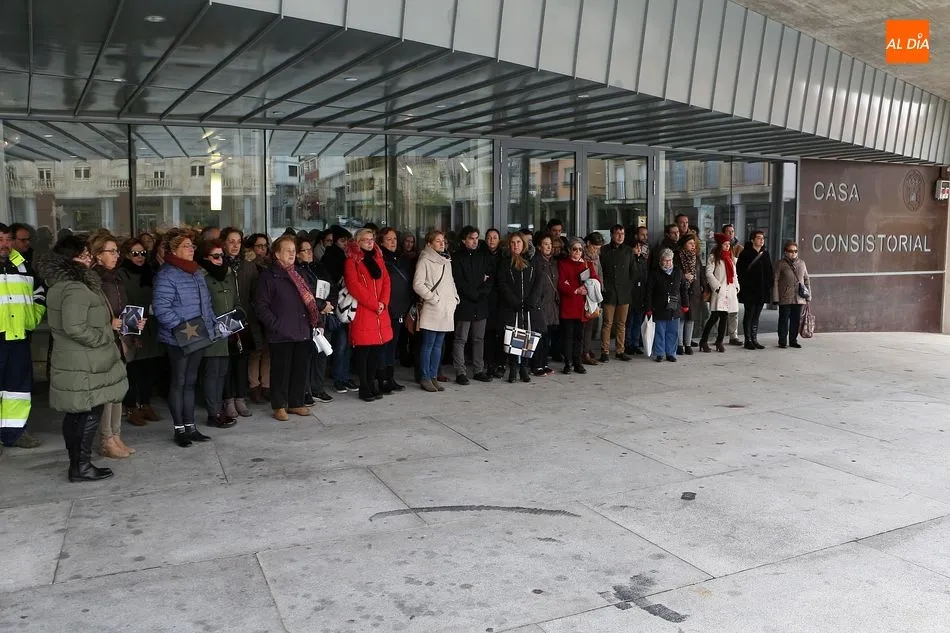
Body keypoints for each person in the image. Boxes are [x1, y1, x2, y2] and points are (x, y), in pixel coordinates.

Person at [38, 235, 127, 482]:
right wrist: (104, 335)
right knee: (86, 413)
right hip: (84, 362)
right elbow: (75, 327)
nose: (89, 259)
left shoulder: (64, 284)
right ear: (71, 258)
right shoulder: (74, 287)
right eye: (85, 255)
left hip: (78, 361)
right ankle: (81, 466)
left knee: (77, 414)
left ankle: (79, 464)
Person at [153, 230, 218, 447]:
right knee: (179, 382)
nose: (192, 249)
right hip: (179, 337)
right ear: (174, 250)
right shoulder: (166, 274)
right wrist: (184, 329)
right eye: (187, 246)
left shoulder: (196, 272)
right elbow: (162, 309)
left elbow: (206, 305)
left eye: (192, 246)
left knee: (191, 382)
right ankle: (179, 428)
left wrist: (211, 326)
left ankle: (191, 426)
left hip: (198, 334)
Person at [255, 236, 318, 420]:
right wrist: (276, 325)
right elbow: (260, 306)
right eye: (287, 250)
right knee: (281, 371)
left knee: (299, 369)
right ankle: (279, 406)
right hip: (281, 332)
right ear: (276, 254)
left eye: (293, 250)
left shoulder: (299, 273)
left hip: (301, 329)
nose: (292, 254)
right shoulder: (270, 276)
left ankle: (296, 403)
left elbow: (311, 299)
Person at [90, 232, 140, 458]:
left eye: (117, 251)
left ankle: (116, 435)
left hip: (120, 340)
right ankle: (106, 439)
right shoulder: (93, 280)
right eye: (111, 251)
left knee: (119, 390)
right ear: (98, 255)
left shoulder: (116, 277)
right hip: (104, 341)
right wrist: (107, 323)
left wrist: (133, 322)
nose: (116, 255)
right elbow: (91, 313)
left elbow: (122, 308)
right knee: (108, 392)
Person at [0, 223, 46, 449]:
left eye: (8, 239)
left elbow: (39, 293)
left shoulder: (21, 265)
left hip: (19, 336)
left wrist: (33, 319)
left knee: (17, 389)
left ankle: (15, 433)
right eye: (0, 240)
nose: (5, 245)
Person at [117, 237, 163, 426]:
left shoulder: (150, 272)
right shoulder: (121, 274)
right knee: (133, 369)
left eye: (143, 253)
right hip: (132, 324)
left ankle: (145, 403)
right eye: (135, 253)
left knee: (149, 367)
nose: (140, 257)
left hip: (151, 324)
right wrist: (133, 333)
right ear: (127, 254)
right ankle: (131, 407)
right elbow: (123, 302)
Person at [344, 228, 393, 402]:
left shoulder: (378, 258)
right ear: (357, 242)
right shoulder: (352, 261)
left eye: (371, 239)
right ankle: (364, 386)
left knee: (376, 352)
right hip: (365, 312)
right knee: (364, 352)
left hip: (380, 312)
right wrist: (375, 304)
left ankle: (372, 383)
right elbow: (353, 285)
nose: (369, 242)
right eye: (365, 240)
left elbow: (386, 280)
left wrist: (383, 302)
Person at [197, 239, 238, 428]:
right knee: (212, 374)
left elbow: (235, 300)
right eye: (215, 256)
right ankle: (213, 413)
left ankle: (218, 409)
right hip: (210, 332)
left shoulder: (228, 275)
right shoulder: (202, 277)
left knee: (222, 372)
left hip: (227, 330)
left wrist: (237, 318)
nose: (220, 259)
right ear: (206, 257)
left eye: (221, 255)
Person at [412, 230, 459, 393]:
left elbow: (451, 281)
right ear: (430, 243)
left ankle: (433, 376)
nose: (442, 243)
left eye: (443, 241)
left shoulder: (446, 259)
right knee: (428, 345)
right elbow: (418, 284)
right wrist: (434, 299)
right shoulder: (425, 259)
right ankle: (425, 377)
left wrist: (455, 298)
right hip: (433, 308)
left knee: (438, 345)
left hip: (446, 307)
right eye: (438, 241)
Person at [220, 228, 256, 417]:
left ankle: (240, 398)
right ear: (224, 243)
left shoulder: (248, 266)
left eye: (238, 241)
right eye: (231, 241)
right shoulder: (217, 263)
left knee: (242, 360)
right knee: (226, 361)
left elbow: (254, 293)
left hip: (244, 319)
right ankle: (228, 400)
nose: (235, 245)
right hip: (224, 319)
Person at [497, 232, 542, 383]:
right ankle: (513, 368)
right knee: (512, 336)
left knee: (527, 337)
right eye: (513, 243)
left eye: (518, 242)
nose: (515, 245)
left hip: (529, 306)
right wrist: (513, 301)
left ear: (523, 244)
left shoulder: (533, 260)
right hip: (512, 306)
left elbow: (538, 281)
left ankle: (524, 368)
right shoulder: (505, 262)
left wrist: (532, 300)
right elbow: (502, 283)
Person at [451, 226, 493, 385]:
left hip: (481, 303)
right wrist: (475, 292)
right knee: (461, 338)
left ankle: (478, 370)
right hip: (465, 303)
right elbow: (459, 281)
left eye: (476, 238)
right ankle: (460, 372)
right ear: (463, 240)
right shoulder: (457, 258)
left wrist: (481, 292)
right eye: (471, 238)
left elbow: (490, 278)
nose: (475, 241)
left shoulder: (484, 256)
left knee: (478, 338)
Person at [295, 236, 334, 404]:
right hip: (308, 317)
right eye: (305, 250)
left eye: (310, 249)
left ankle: (317, 388)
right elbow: (306, 294)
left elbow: (331, 286)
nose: (310, 253)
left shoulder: (317, 267)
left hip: (323, 314)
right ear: (297, 254)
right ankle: (305, 391)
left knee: (321, 353)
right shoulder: (297, 271)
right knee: (307, 356)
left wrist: (329, 304)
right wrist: (320, 305)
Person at [378, 227, 412, 393]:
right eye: (389, 239)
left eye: (394, 239)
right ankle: (382, 379)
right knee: (384, 346)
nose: (393, 242)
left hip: (400, 308)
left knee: (393, 346)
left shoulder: (401, 258)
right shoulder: (380, 259)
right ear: (382, 241)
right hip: (386, 309)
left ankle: (390, 378)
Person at [557, 238, 598, 374]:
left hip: (581, 307)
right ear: (569, 250)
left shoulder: (586, 264)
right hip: (568, 306)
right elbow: (562, 284)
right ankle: (568, 363)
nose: (577, 252)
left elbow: (595, 280)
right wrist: (576, 290)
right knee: (568, 337)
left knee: (579, 337)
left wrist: (585, 287)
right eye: (575, 249)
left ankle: (577, 362)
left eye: (580, 249)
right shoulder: (563, 264)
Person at [598, 224, 635, 362]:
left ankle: (620, 350)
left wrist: (628, 286)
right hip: (609, 291)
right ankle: (605, 351)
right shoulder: (604, 250)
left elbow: (633, 271)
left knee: (621, 323)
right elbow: (600, 270)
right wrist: (604, 287)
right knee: (607, 323)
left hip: (624, 292)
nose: (620, 236)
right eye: (618, 233)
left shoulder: (628, 251)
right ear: (612, 235)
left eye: (623, 234)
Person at [645, 248, 689, 362]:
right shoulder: (655, 273)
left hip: (675, 307)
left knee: (673, 332)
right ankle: (659, 353)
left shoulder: (678, 272)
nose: (668, 263)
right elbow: (648, 292)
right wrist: (648, 308)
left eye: (670, 260)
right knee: (660, 331)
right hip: (659, 307)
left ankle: (671, 353)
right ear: (661, 260)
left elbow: (684, 289)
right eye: (665, 260)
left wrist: (685, 304)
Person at [699, 232, 740, 353]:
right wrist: (717, 287)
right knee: (714, 317)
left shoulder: (731, 257)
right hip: (720, 291)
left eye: (728, 244)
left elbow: (734, 274)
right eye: (725, 244)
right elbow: (708, 273)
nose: (727, 246)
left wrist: (737, 287)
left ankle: (719, 342)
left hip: (730, 290)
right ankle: (704, 341)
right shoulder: (714, 257)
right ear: (720, 244)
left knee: (724, 317)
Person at [736, 230, 774, 350]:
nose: (761, 240)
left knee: (756, 316)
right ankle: (748, 340)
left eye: (763, 238)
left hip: (761, 290)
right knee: (749, 314)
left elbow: (769, 271)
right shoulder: (745, 254)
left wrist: (769, 285)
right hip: (749, 290)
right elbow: (740, 272)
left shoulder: (765, 254)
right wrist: (744, 285)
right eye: (758, 238)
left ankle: (754, 338)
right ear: (752, 240)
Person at [246, 233, 272, 402]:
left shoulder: (270, 265)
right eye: (258, 246)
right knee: (256, 351)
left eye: (264, 246)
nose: (262, 250)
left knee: (268, 350)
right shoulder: (248, 266)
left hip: (269, 311)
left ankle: (266, 385)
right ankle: (254, 385)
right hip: (253, 311)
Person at [530, 233, 559, 376]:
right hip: (539, 304)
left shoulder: (553, 262)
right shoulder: (535, 262)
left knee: (547, 336)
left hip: (551, 304)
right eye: (545, 244)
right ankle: (536, 365)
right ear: (539, 247)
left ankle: (544, 363)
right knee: (538, 336)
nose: (548, 247)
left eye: (550, 244)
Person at [773, 241, 811, 349]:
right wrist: (775, 297)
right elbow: (775, 280)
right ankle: (782, 341)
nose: (793, 253)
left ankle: (793, 340)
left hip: (799, 297)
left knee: (796, 320)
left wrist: (808, 295)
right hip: (785, 296)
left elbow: (806, 279)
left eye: (795, 251)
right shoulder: (780, 264)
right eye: (790, 251)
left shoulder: (802, 263)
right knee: (783, 319)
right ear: (785, 252)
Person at [676, 233, 703, 356]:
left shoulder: (696, 257)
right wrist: (683, 276)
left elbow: (701, 273)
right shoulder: (677, 256)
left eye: (694, 244)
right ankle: (679, 344)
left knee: (690, 319)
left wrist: (704, 287)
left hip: (693, 291)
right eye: (690, 243)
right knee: (681, 318)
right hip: (681, 291)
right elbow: (673, 272)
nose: (693, 246)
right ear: (684, 245)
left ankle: (688, 344)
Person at [580, 232, 604, 365]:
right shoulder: (581, 255)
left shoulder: (596, 256)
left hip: (595, 293)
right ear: (588, 243)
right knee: (584, 325)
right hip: (584, 293)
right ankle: (584, 352)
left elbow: (599, 272)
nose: (596, 250)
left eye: (598, 248)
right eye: (595, 247)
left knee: (591, 324)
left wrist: (601, 287)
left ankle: (587, 349)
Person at [624, 240, 649, 355]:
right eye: (636, 247)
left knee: (638, 321)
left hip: (641, 294)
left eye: (640, 247)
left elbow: (645, 277)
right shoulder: (627, 260)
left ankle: (635, 343)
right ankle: (627, 344)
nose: (638, 249)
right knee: (629, 321)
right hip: (630, 294)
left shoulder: (643, 261)